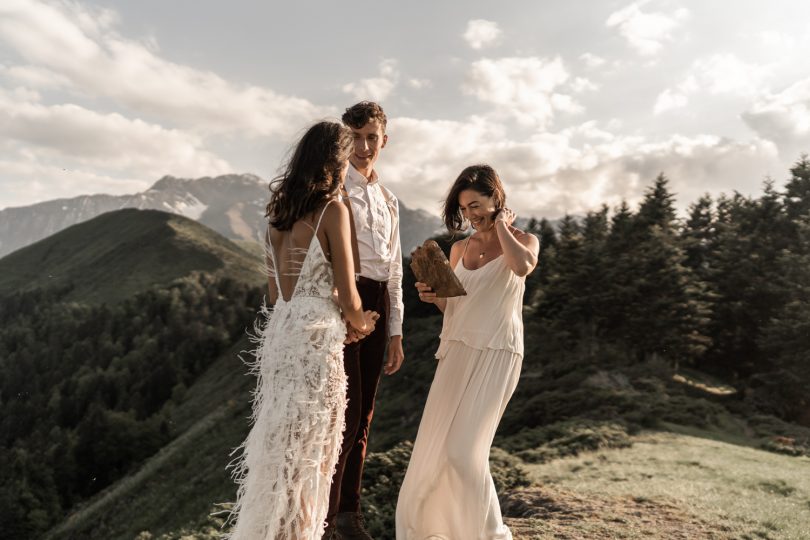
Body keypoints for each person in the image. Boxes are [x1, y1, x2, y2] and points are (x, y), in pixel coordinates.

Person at [226, 121, 379, 540]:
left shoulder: (278, 213)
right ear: (336, 159)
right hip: (316, 333)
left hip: (282, 331)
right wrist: (361, 323)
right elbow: (349, 295)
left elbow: (275, 293)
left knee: (280, 437)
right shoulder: (333, 209)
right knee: (312, 444)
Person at [396, 164, 539, 540]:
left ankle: (493, 534)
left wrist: (503, 227)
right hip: (457, 351)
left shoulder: (524, 239)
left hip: (498, 353)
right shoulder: (458, 247)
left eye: (477, 204)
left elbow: (522, 267)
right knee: (439, 449)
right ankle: (446, 529)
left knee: (464, 451)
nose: (471, 215)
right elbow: (457, 308)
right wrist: (435, 297)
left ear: (497, 197)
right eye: (465, 209)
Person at [323, 101, 405, 540]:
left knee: (366, 414)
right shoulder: (332, 189)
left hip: (379, 299)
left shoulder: (389, 200)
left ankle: (348, 515)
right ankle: (325, 516)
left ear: (384, 141)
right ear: (343, 139)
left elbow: (394, 269)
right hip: (344, 299)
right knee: (343, 413)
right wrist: (345, 308)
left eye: (371, 137)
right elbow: (326, 257)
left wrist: (395, 331)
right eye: (354, 137)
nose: (363, 146)